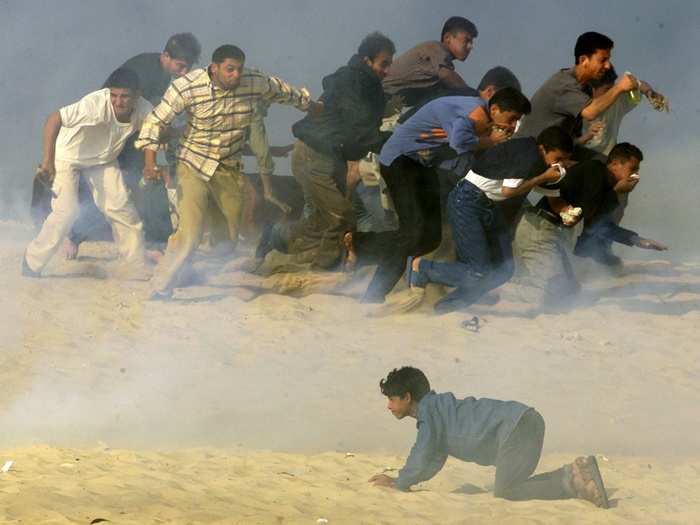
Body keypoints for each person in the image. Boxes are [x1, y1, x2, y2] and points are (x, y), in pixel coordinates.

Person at [136, 44, 318, 300]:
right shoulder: (187, 86)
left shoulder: (254, 82)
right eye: (230, 69)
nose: (235, 75)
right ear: (214, 68)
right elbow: (155, 122)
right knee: (190, 234)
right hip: (193, 165)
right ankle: (161, 286)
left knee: (228, 241)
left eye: (239, 70)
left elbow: (284, 92)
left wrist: (312, 107)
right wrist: (149, 161)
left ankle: (185, 265)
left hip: (227, 169)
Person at [359, 87, 531, 303]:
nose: (513, 125)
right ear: (494, 109)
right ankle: (374, 292)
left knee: (431, 238)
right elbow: (459, 142)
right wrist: (492, 141)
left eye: (517, 121)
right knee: (412, 232)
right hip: (399, 160)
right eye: (512, 118)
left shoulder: (482, 116)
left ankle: (359, 247)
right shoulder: (473, 114)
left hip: (421, 165)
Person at [369, 367, 610, 507]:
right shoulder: (438, 411)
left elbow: (421, 453)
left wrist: (399, 482)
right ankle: (576, 473)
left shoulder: (430, 413)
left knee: (506, 491)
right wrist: (404, 479)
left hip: (516, 428)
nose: (389, 406)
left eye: (391, 399)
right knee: (511, 484)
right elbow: (432, 459)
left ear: (407, 397)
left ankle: (572, 480)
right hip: (524, 421)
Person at [254, 32, 395, 271]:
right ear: (366, 60)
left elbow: (359, 127)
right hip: (314, 153)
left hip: (332, 155)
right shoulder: (353, 81)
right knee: (342, 215)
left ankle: (278, 238)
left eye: (390, 64)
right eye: (384, 64)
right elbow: (357, 124)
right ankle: (323, 266)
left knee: (323, 220)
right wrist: (387, 137)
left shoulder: (368, 86)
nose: (387, 70)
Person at [65, 32, 202, 259]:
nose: (183, 72)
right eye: (180, 66)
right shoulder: (143, 71)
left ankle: (157, 244)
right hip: (109, 139)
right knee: (108, 191)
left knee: (149, 183)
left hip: (133, 138)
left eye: (187, 67)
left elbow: (153, 116)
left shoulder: (163, 72)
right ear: (166, 56)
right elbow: (122, 111)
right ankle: (74, 236)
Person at [409, 126, 574, 313]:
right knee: (478, 272)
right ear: (543, 148)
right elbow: (508, 191)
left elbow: (553, 198)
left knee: (503, 271)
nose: (559, 165)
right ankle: (422, 268)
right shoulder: (528, 156)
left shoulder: (541, 161)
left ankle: (447, 308)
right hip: (467, 201)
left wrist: (567, 211)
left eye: (564, 161)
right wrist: (543, 177)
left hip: (487, 206)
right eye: (557, 159)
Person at [22, 69, 152, 278]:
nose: (118, 102)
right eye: (114, 95)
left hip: (103, 159)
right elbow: (54, 119)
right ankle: (31, 263)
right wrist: (47, 162)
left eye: (125, 96)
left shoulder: (145, 109)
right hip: (68, 156)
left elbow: (154, 132)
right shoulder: (94, 105)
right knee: (66, 212)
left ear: (137, 95)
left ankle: (134, 265)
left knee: (121, 207)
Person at [510, 143, 668, 308]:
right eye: (633, 169)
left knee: (570, 290)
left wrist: (636, 239)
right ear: (614, 164)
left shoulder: (604, 184)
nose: (635, 175)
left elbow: (599, 224)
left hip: (552, 234)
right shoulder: (594, 171)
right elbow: (588, 213)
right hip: (538, 231)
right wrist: (616, 192)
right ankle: (501, 296)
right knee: (551, 292)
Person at [514, 31, 637, 159]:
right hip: (528, 155)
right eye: (603, 60)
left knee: (604, 164)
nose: (607, 65)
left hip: (555, 152)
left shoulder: (585, 88)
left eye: (608, 60)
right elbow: (590, 112)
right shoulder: (564, 85)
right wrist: (619, 88)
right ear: (583, 60)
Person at [383, 16, 479, 111]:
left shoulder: (440, 67)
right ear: (447, 38)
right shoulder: (436, 48)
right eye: (466, 41)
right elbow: (446, 75)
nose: (470, 46)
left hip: (389, 105)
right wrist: (476, 98)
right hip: (381, 96)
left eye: (471, 42)